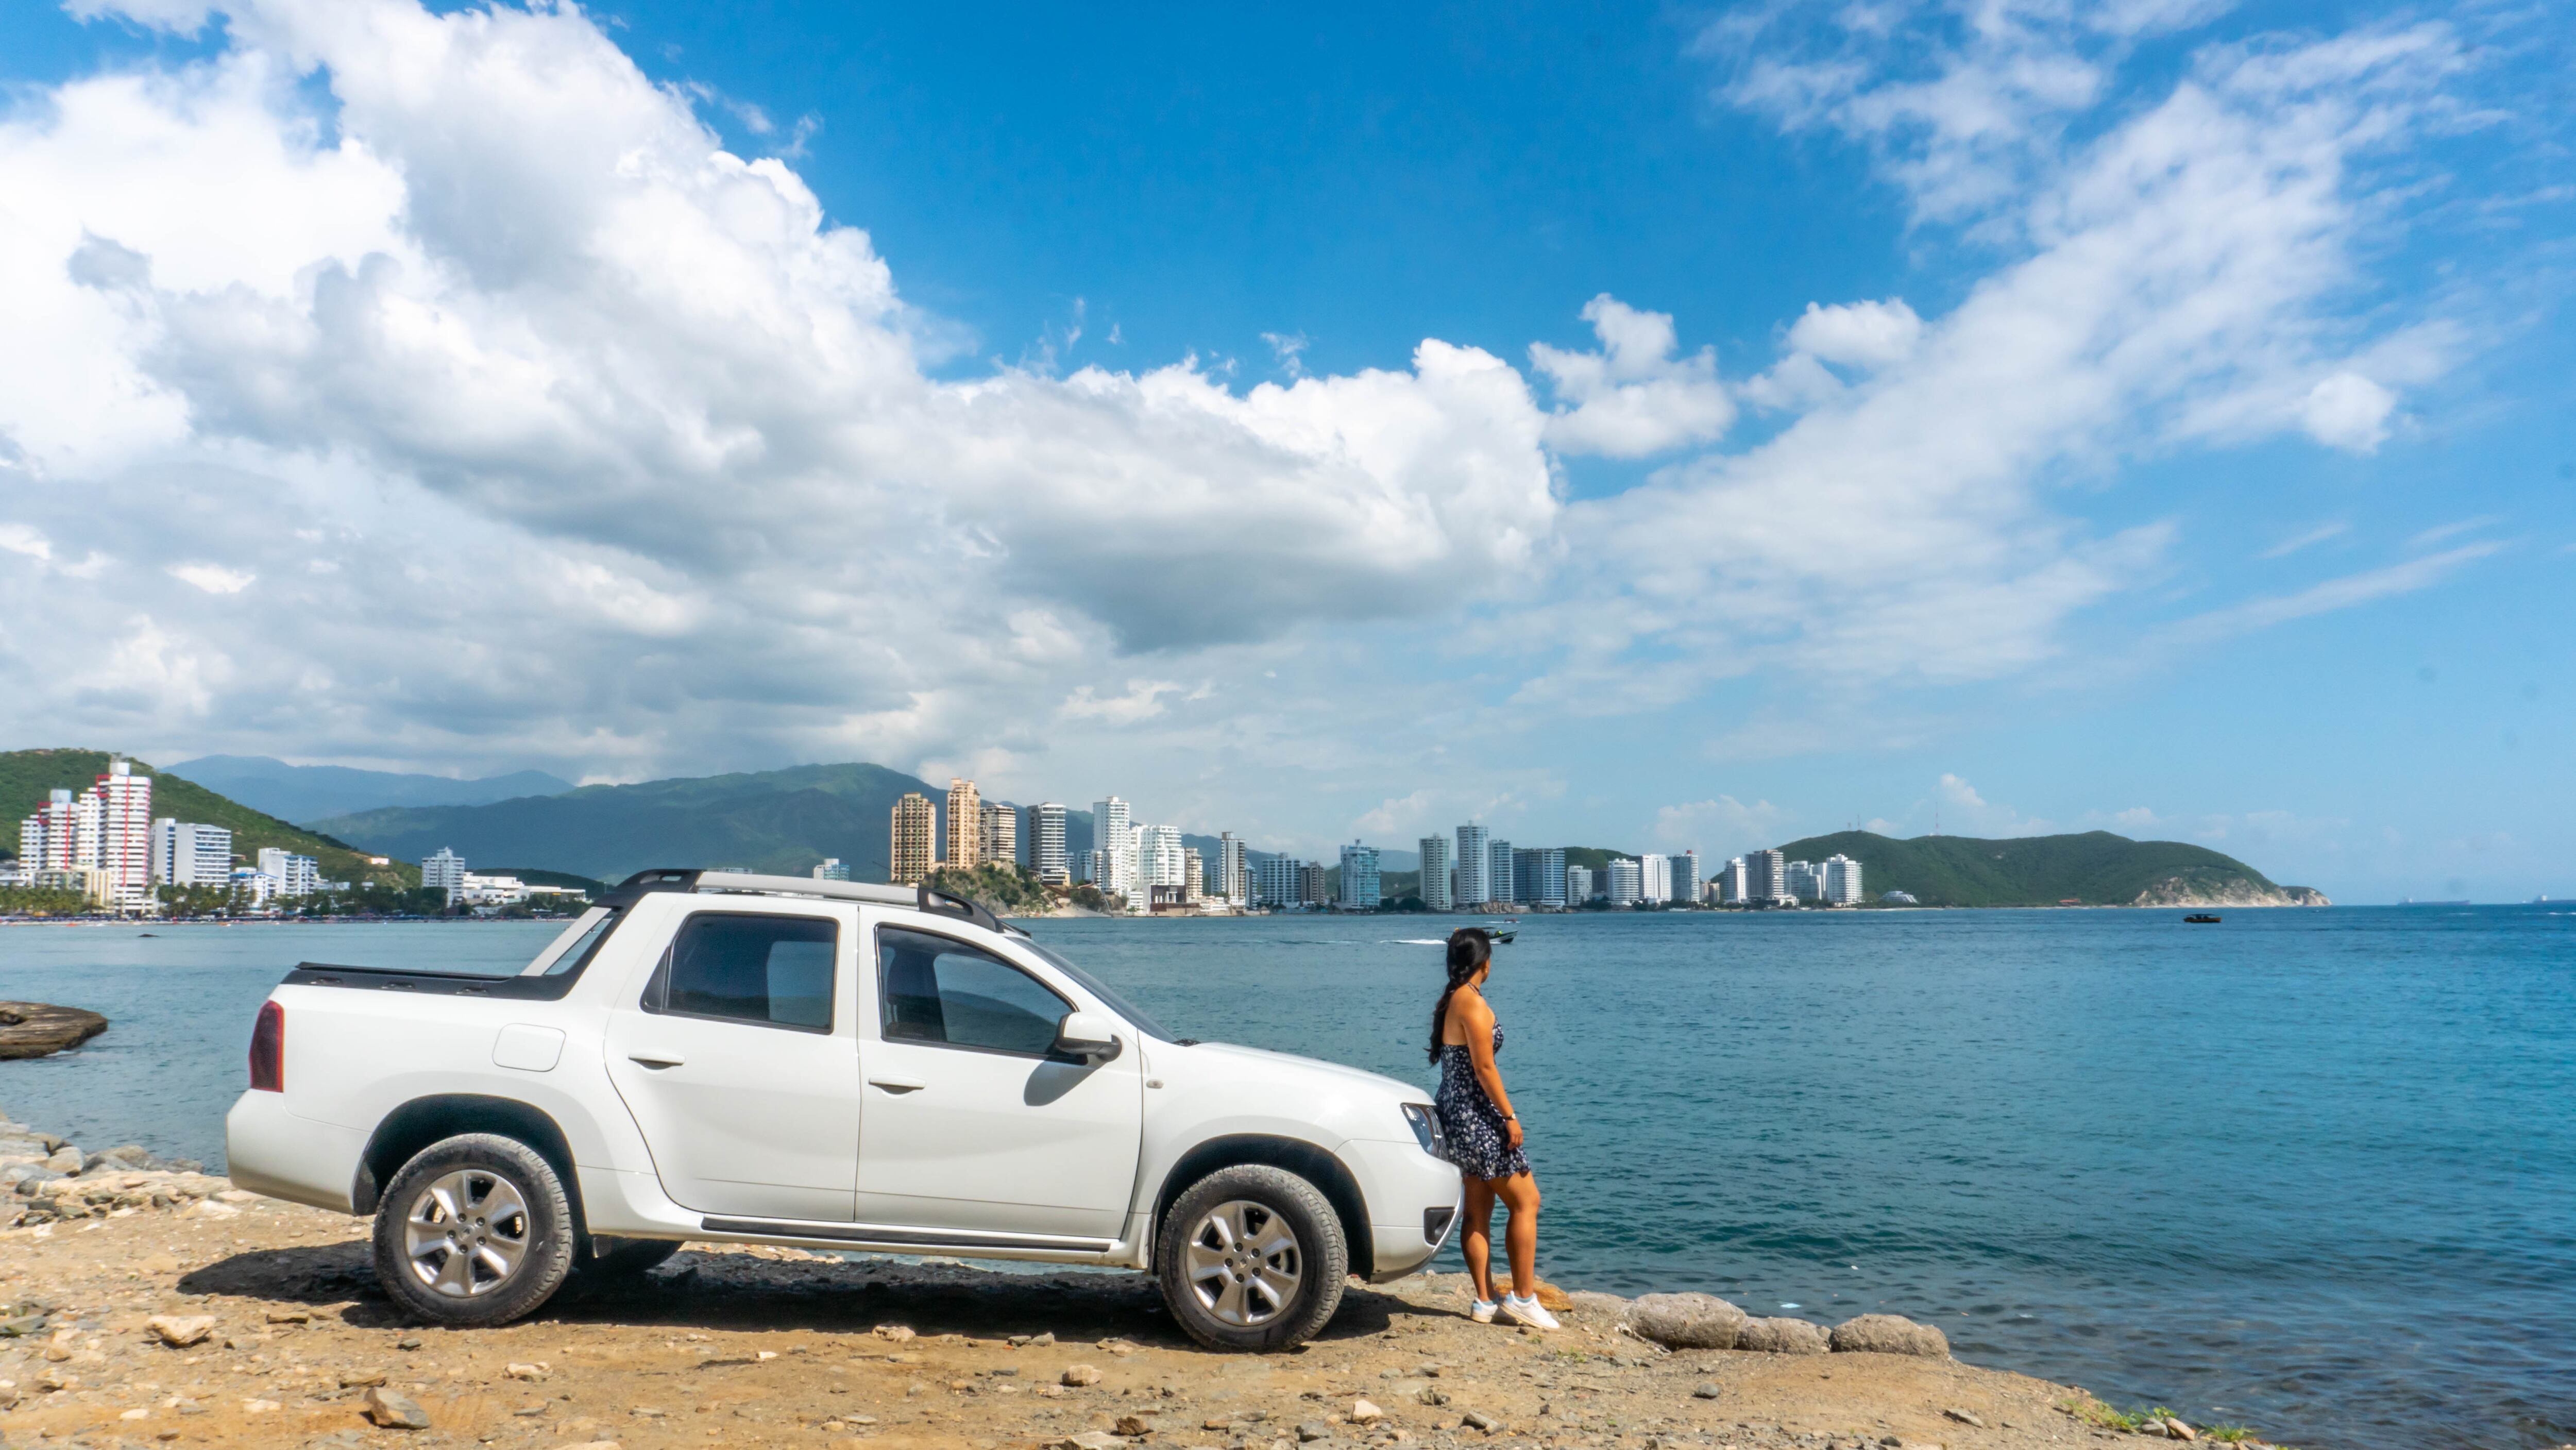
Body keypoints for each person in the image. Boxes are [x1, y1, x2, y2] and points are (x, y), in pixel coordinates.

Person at [1429, 926, 1557, 1329]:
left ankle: (1485, 1302)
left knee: (1479, 1210)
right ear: (1486, 963)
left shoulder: (1455, 998)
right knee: (1526, 1201)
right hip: (1478, 1116)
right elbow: (1485, 1069)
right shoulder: (1473, 1004)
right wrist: (1509, 1116)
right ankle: (1522, 1298)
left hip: (1455, 1112)